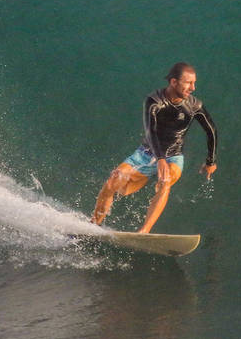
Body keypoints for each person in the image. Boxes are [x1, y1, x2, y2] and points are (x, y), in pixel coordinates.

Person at [92, 62, 218, 233]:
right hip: (146, 153)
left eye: (194, 83)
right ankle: (94, 224)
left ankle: (144, 232)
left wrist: (210, 161)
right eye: (188, 83)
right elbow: (150, 131)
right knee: (114, 180)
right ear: (174, 82)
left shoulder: (194, 106)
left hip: (174, 156)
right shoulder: (155, 101)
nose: (193, 88)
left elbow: (211, 130)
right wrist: (160, 159)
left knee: (166, 182)